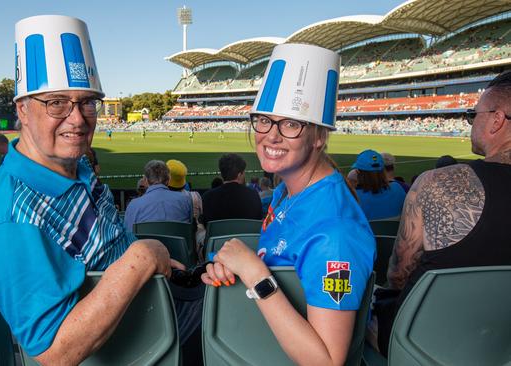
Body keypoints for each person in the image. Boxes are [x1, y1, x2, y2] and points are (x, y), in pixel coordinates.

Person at [0, 15, 179, 365]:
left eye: (86, 102)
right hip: (135, 346)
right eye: (56, 103)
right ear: (22, 110)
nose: (78, 118)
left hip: (150, 307)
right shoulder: (12, 220)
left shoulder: (76, 165)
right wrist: (143, 257)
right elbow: (54, 352)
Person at [201, 43, 375, 366]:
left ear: (319, 136)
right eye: (264, 120)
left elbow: (327, 360)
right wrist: (234, 267)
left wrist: (254, 273)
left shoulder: (335, 233)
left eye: (291, 124)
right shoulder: (286, 190)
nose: (271, 135)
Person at [375, 70, 511, 356]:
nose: (471, 122)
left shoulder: (438, 184)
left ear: (497, 120)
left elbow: (398, 276)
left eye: (474, 114)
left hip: (419, 344)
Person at [124, 160, 192, 231]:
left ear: (146, 181)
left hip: (147, 241)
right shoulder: (185, 200)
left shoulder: (133, 204)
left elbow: (129, 234)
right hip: (178, 241)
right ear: (168, 180)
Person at [200, 153, 262, 226]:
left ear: (221, 174)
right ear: (239, 175)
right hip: (246, 237)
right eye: (243, 173)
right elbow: (258, 222)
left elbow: (205, 224)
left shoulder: (207, 197)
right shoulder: (253, 195)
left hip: (218, 236)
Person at [352, 150, 407, 220]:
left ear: (358, 172)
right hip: (393, 231)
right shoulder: (397, 188)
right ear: (383, 170)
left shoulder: (353, 198)